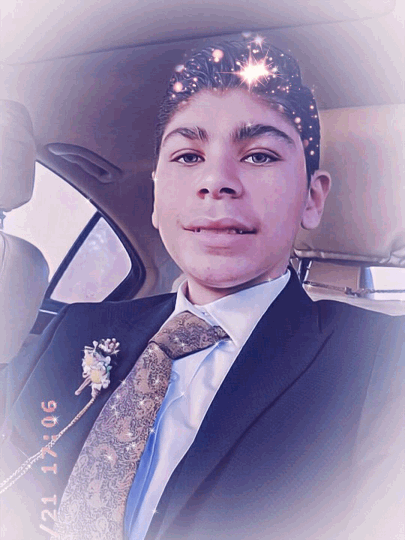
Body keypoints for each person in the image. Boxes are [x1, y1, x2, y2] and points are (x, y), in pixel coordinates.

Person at [0, 40, 404, 540]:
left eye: (259, 155)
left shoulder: (383, 363)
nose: (216, 180)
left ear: (312, 199)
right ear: (155, 196)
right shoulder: (75, 330)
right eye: (189, 155)